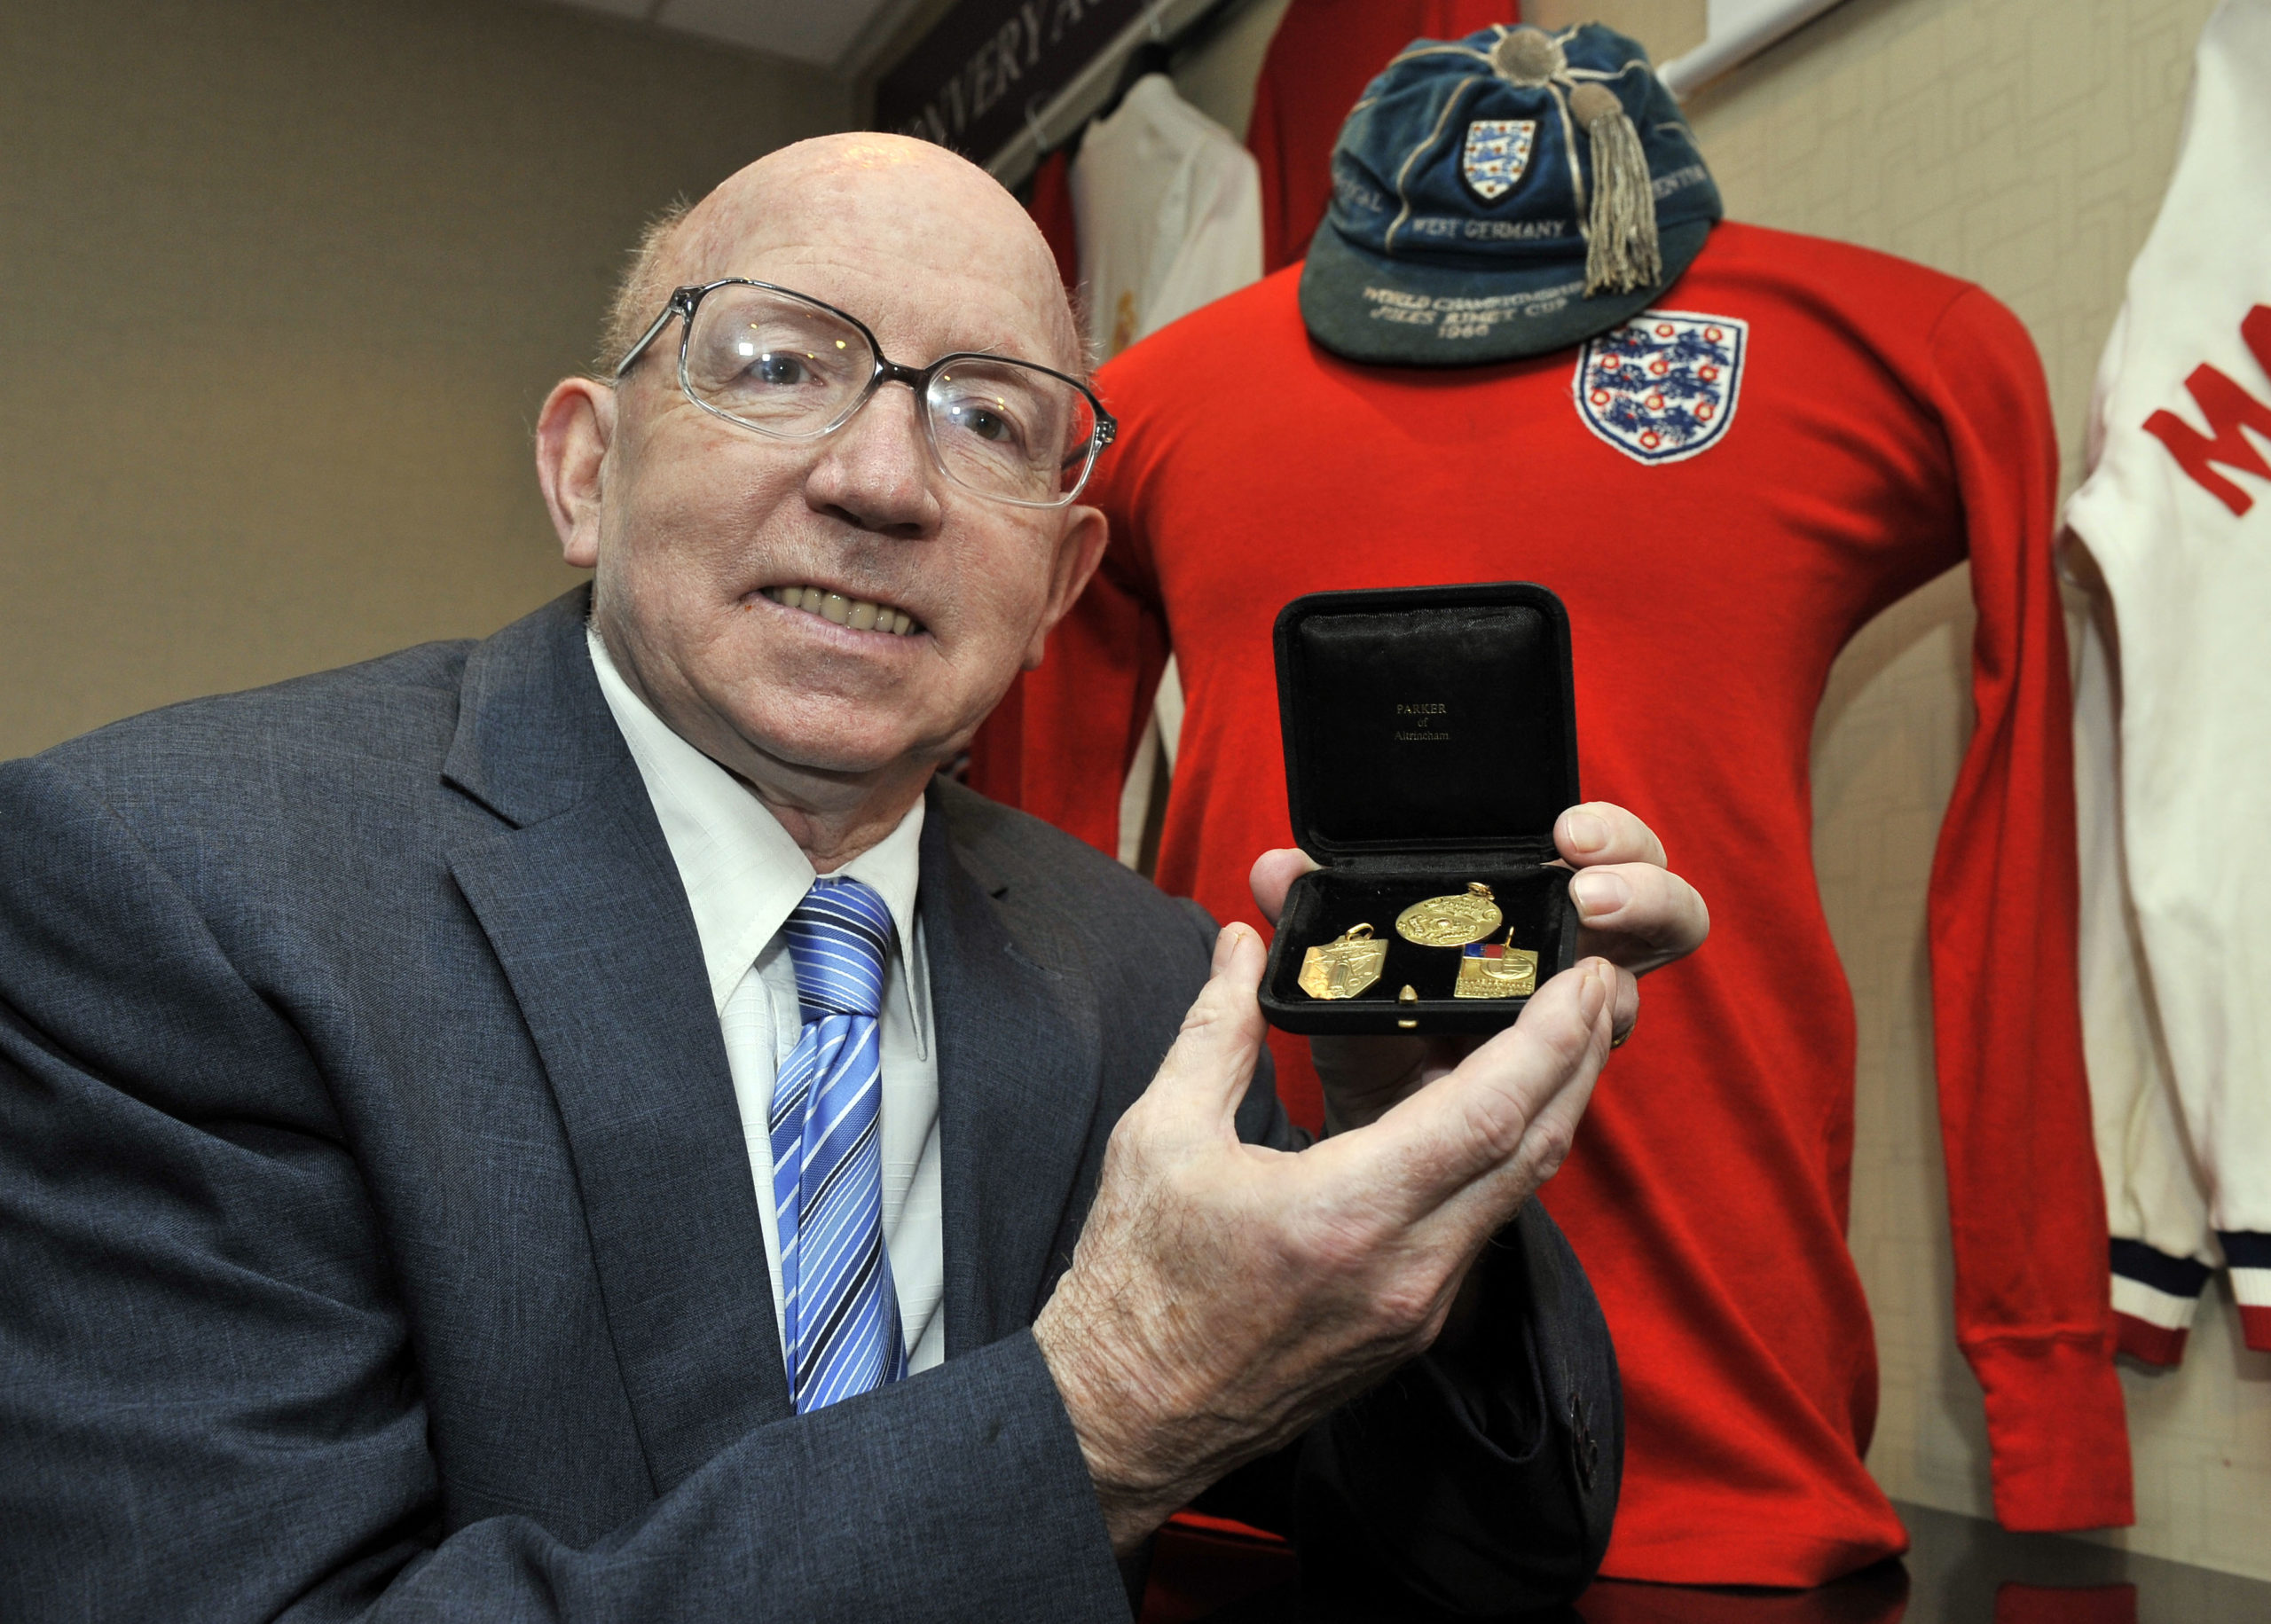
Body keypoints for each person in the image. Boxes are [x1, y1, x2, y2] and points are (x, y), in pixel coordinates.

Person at [0, 135, 1707, 1620]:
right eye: (777, 365)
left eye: (986, 415)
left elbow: (1491, 1552)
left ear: (1059, 580)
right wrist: (1103, 1407)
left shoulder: (1145, 974)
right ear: (588, 470)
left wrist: (1413, 1122)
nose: (880, 479)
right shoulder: (175, 892)